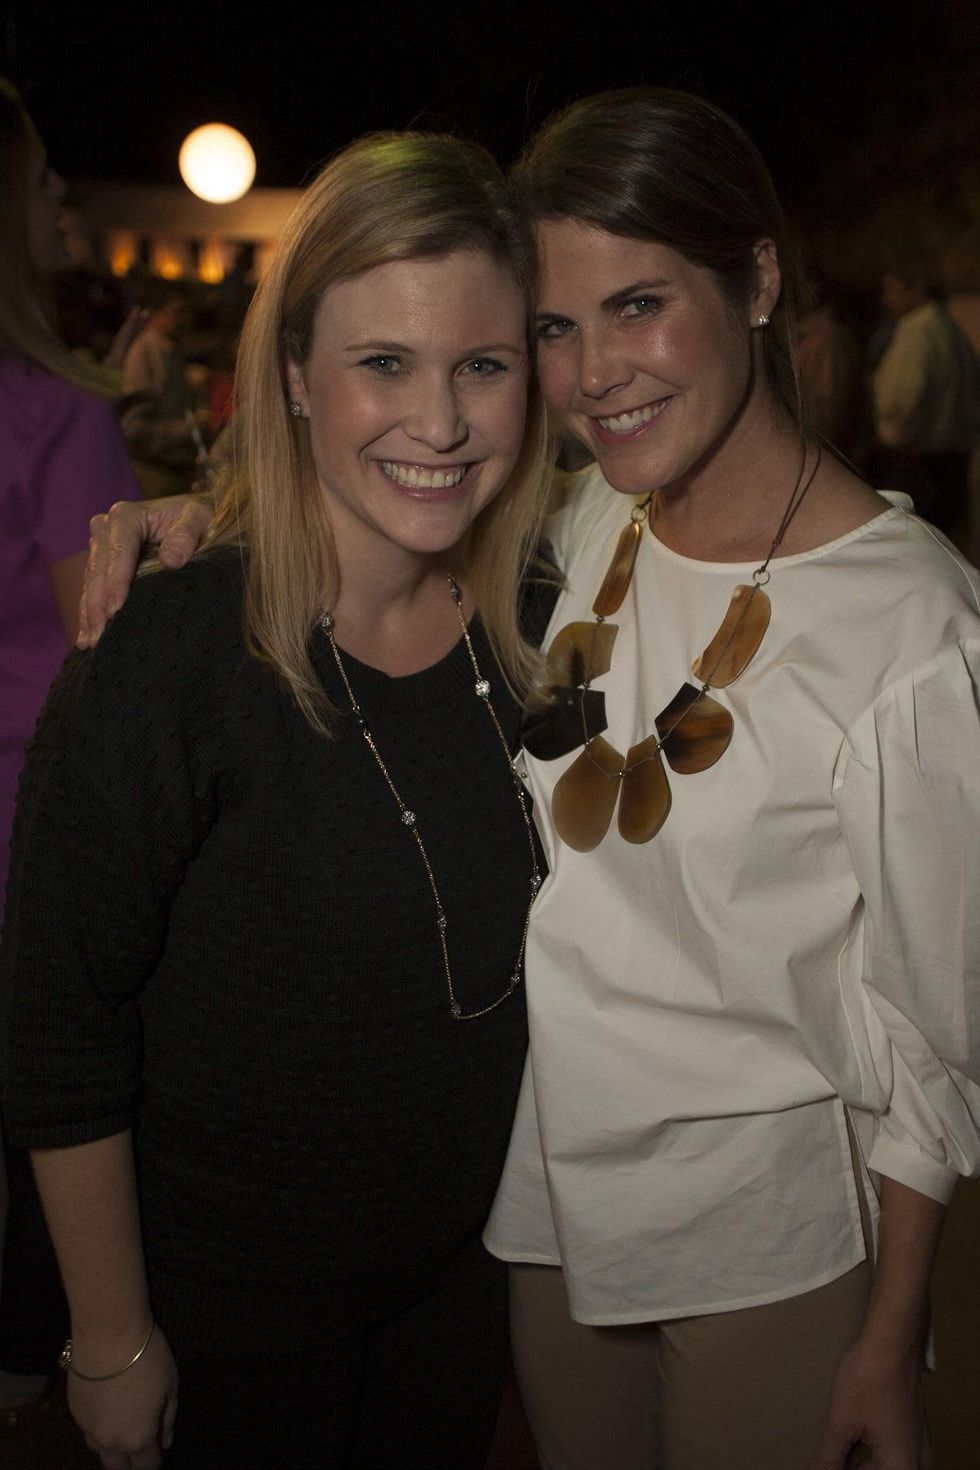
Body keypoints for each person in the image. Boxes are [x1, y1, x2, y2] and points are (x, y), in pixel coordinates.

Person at [74, 90, 980, 1470]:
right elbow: (388, 488)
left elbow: (934, 1022)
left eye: (639, 305)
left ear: (756, 279)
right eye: (554, 327)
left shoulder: (912, 621)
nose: (595, 370)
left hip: (757, 1233)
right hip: (544, 1204)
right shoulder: (582, 516)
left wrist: (891, 1329)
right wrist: (211, 520)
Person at [1, 130, 554, 1470]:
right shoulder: (170, 656)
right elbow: (59, 1027)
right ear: (295, 375)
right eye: (384, 364)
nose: (441, 420)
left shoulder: (548, 621)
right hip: (216, 1342)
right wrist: (112, 1338)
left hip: (452, 1318)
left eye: (482, 365)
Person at [0, 79, 141, 1412]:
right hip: (27, 842)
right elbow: (100, 647)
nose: (63, 205)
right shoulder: (51, 414)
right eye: (43, 185)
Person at [871, 255, 980, 542]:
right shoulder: (951, 329)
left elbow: (895, 409)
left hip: (919, 470)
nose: (886, 299)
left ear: (916, 288)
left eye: (892, 290)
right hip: (951, 466)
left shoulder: (917, 333)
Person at [120, 287, 208, 498]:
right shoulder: (144, 354)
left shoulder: (170, 349)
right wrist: (189, 427)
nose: (184, 319)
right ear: (155, 312)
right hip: (155, 474)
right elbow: (133, 429)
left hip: (176, 473)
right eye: (177, 312)